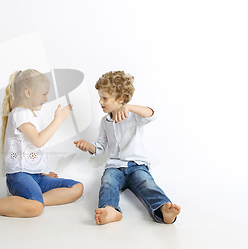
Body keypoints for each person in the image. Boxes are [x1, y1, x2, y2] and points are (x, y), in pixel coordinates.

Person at [0, 69, 83, 218]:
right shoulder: (19, 114)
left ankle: (27, 202)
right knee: (36, 209)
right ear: (28, 93)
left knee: (77, 188)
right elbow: (38, 141)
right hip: (19, 177)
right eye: (44, 94)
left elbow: (30, 149)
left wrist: (41, 170)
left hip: (36, 175)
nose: (46, 98)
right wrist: (58, 120)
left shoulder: (33, 115)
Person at [74, 70, 180, 225]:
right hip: (115, 167)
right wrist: (89, 146)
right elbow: (100, 147)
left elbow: (152, 114)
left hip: (136, 166)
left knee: (147, 183)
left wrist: (129, 107)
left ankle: (163, 208)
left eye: (104, 98)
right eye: (99, 97)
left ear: (121, 99)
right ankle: (110, 210)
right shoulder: (105, 122)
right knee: (107, 182)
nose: (100, 101)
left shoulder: (134, 116)